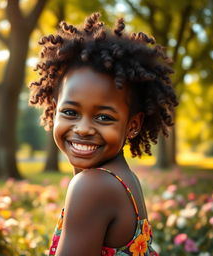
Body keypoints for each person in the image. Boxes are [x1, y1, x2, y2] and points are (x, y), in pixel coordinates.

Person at [29, 12, 178, 256]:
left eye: (104, 117)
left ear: (133, 125)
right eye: (70, 112)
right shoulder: (122, 179)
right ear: (54, 110)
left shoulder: (92, 186)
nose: (84, 128)